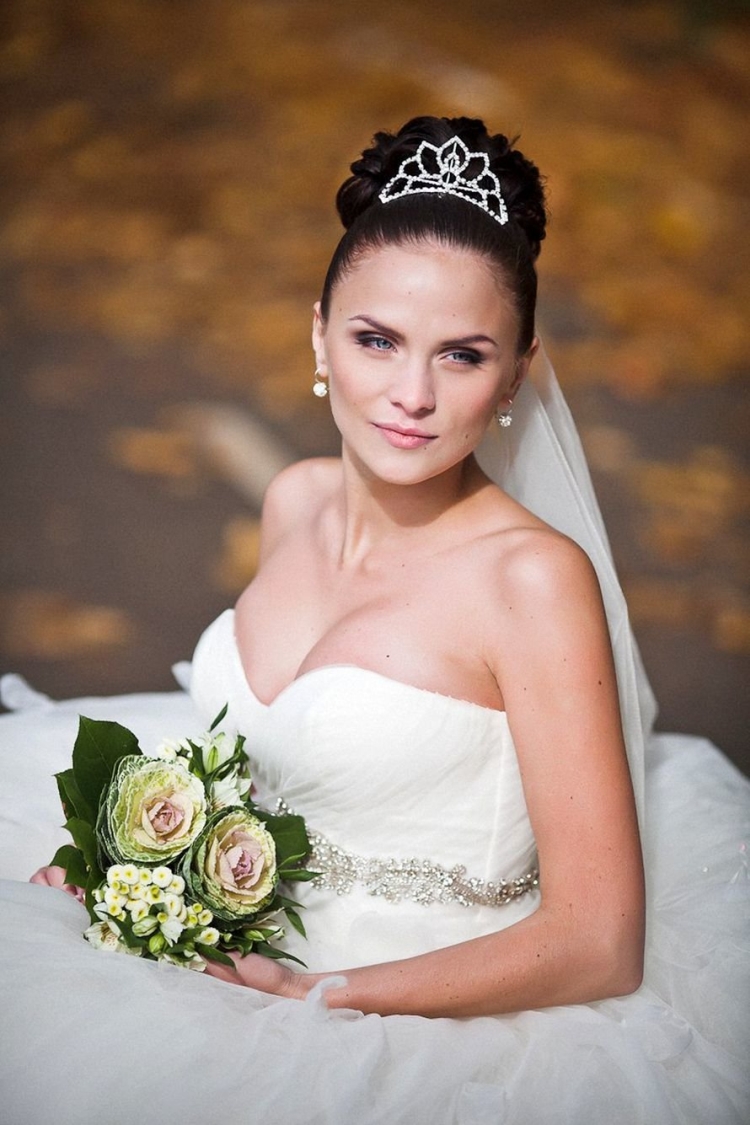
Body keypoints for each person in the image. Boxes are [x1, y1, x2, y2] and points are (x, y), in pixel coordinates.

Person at [1, 116, 748, 1124]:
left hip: (418, 1023)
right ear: (319, 332)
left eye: (462, 356)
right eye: (377, 340)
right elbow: (273, 764)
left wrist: (317, 996)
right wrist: (137, 869)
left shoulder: (532, 582)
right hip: (238, 954)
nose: (411, 395)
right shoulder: (295, 500)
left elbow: (598, 943)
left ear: (518, 371)